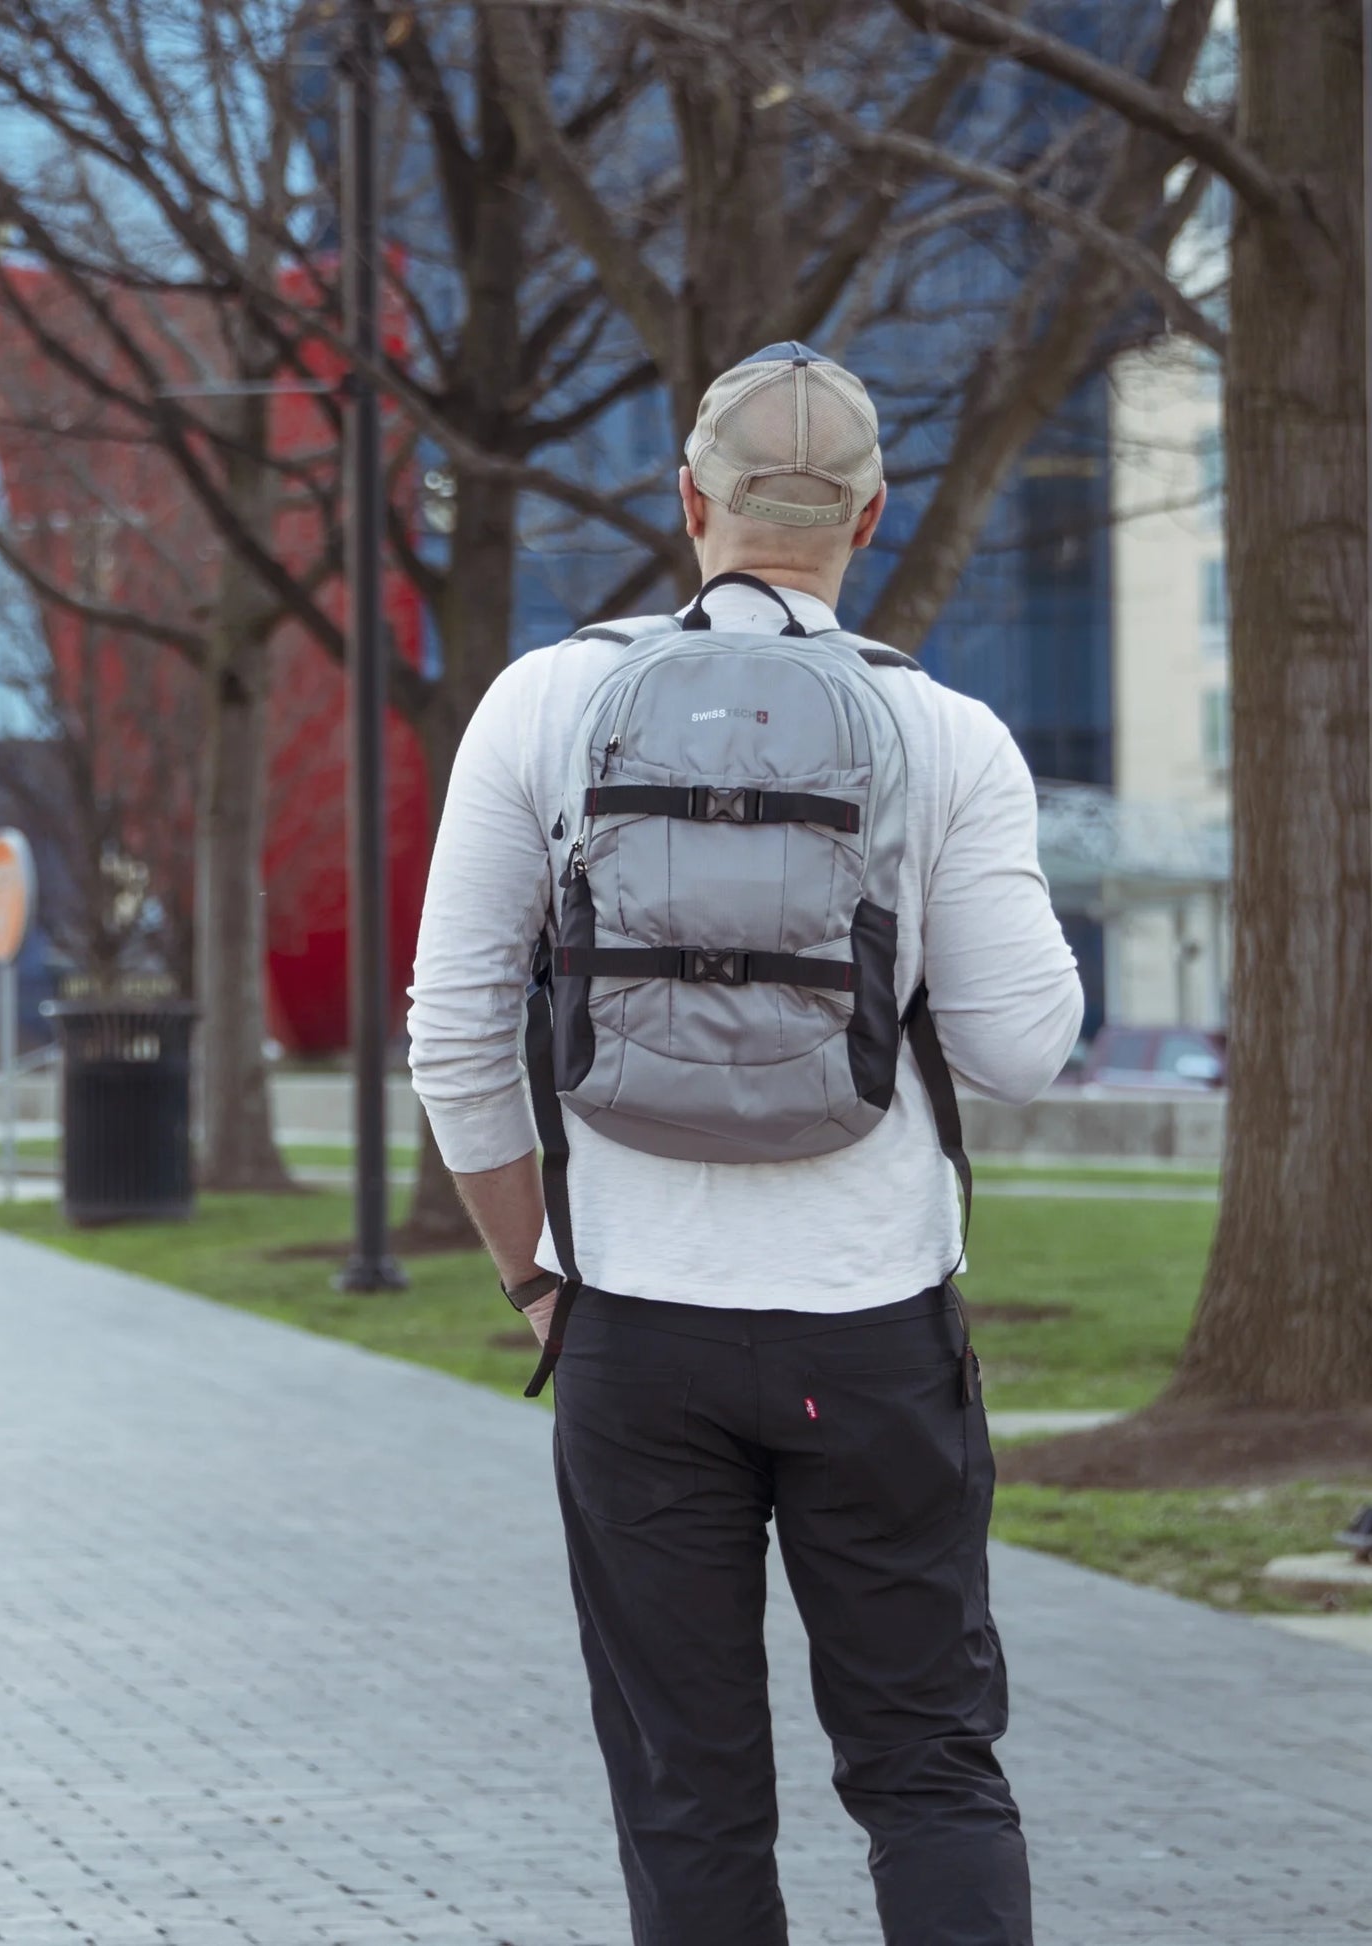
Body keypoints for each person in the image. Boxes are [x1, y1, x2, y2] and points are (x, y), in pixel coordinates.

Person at [406, 342, 1081, 1946]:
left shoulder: (545, 702)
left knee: (687, 1791)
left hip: (634, 1326)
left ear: (688, 497)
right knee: (924, 1763)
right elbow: (1020, 1049)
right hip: (870, 1326)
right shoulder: (947, 734)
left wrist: (534, 1283)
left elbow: (451, 1029)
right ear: (870, 512)